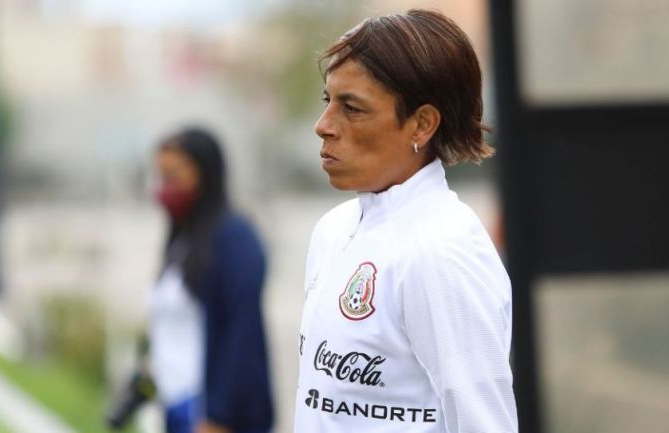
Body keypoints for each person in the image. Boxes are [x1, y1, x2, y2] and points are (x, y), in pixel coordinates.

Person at [294, 10, 517, 433]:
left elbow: (484, 424)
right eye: (329, 102)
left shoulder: (441, 250)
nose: (323, 126)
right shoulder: (334, 230)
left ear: (422, 123)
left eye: (352, 109)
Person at [149, 127, 274, 433]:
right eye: (161, 176)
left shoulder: (235, 238)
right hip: (177, 404)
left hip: (214, 413)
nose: (165, 188)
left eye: (173, 175)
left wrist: (219, 416)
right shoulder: (182, 238)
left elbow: (241, 333)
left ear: (204, 172)